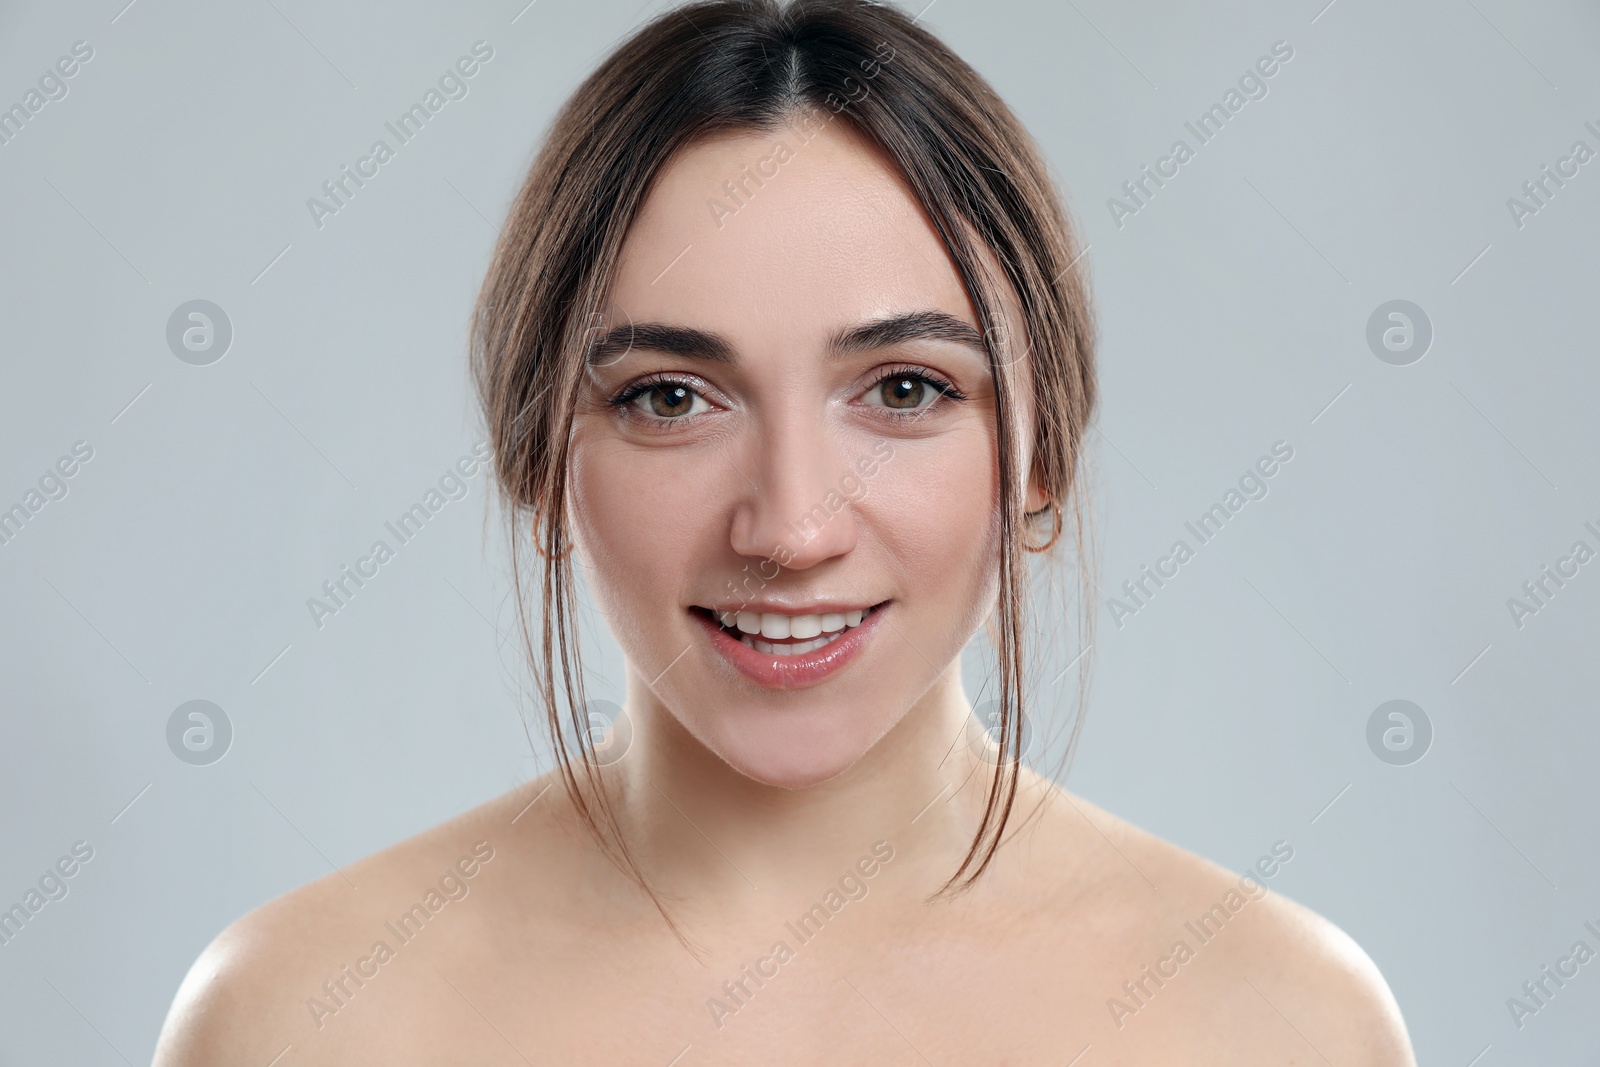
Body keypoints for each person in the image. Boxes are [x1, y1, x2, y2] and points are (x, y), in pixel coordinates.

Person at [153, 1, 1416, 1062]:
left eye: (906, 389)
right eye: (668, 398)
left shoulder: (1275, 1019)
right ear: (536, 458)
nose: (792, 526)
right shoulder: (299, 1015)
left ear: (1044, 458)